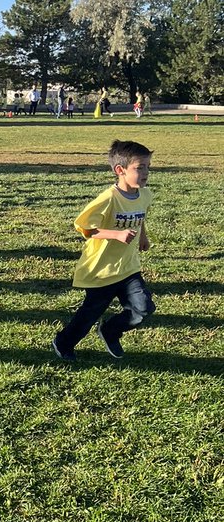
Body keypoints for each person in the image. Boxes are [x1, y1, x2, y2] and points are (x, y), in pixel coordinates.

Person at [52, 139, 154, 362]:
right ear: (120, 170)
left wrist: (143, 236)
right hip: (102, 270)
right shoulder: (108, 199)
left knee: (144, 307)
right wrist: (116, 234)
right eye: (140, 168)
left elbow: (141, 215)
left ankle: (110, 330)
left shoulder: (144, 194)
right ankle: (64, 341)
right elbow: (85, 228)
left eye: (148, 167)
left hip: (128, 268)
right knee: (89, 315)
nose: (146, 172)